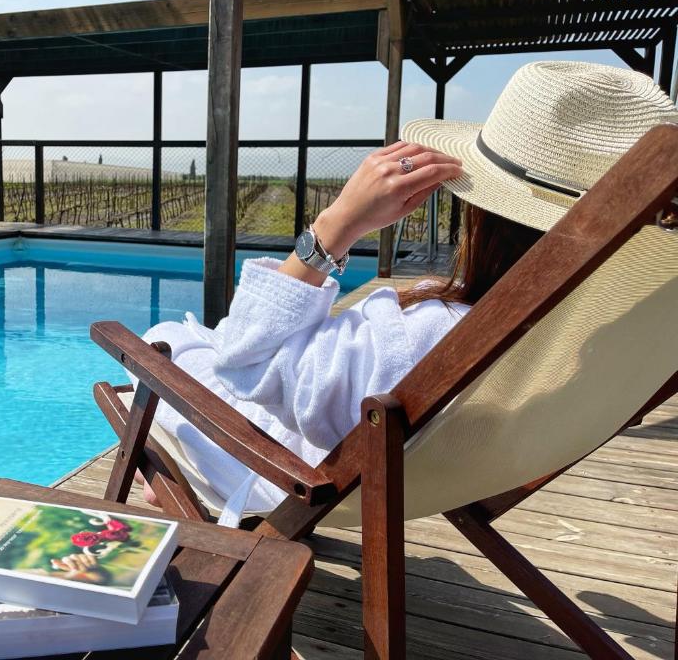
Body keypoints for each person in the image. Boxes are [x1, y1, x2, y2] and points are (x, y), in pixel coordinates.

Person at [132, 60, 678, 525]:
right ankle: (185, 480)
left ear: (488, 215)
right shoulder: (609, 333)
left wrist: (334, 226)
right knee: (193, 343)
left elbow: (243, 362)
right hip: (437, 473)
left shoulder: (431, 336)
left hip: (291, 475)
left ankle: (189, 485)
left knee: (161, 344)